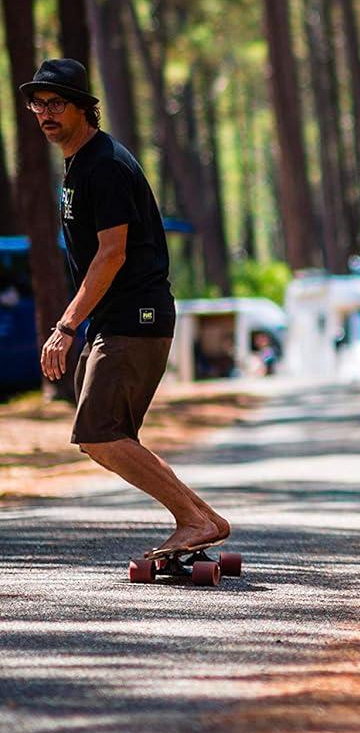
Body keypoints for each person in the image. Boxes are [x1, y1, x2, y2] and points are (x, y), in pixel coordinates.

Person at [25, 58, 231, 557]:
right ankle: (203, 519)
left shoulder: (106, 165)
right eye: (38, 104)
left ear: (84, 109)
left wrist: (67, 325)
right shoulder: (81, 164)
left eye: (56, 103)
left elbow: (112, 253)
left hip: (134, 318)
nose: (45, 113)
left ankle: (194, 519)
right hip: (119, 319)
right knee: (106, 433)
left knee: (98, 431)